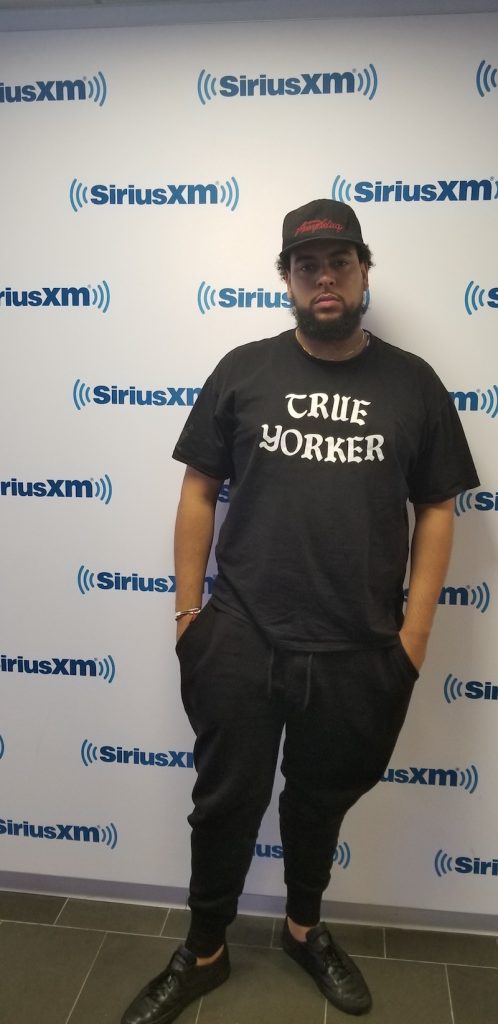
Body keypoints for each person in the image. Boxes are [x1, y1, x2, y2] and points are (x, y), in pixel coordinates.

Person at [121, 198, 479, 1023]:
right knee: (224, 805)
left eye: (340, 262)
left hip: (361, 648)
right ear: (286, 277)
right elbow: (199, 490)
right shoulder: (243, 370)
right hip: (241, 637)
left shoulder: (413, 384)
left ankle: (303, 929)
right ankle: (203, 951)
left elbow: (436, 507)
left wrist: (414, 637)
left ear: (364, 271)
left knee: (318, 803)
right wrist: (188, 615)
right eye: (307, 265)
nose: (325, 278)